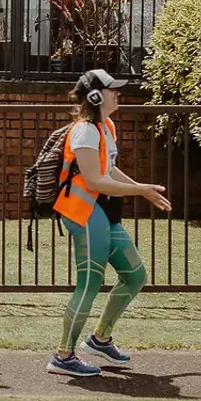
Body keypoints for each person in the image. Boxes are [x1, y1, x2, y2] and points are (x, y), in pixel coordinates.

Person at [46, 69, 172, 377]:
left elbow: (110, 171)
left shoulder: (106, 126)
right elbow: (95, 180)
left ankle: (100, 338)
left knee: (135, 276)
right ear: (94, 96)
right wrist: (140, 190)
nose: (118, 93)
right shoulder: (85, 131)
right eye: (111, 89)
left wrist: (143, 189)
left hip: (102, 214)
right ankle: (63, 356)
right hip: (84, 213)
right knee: (89, 283)